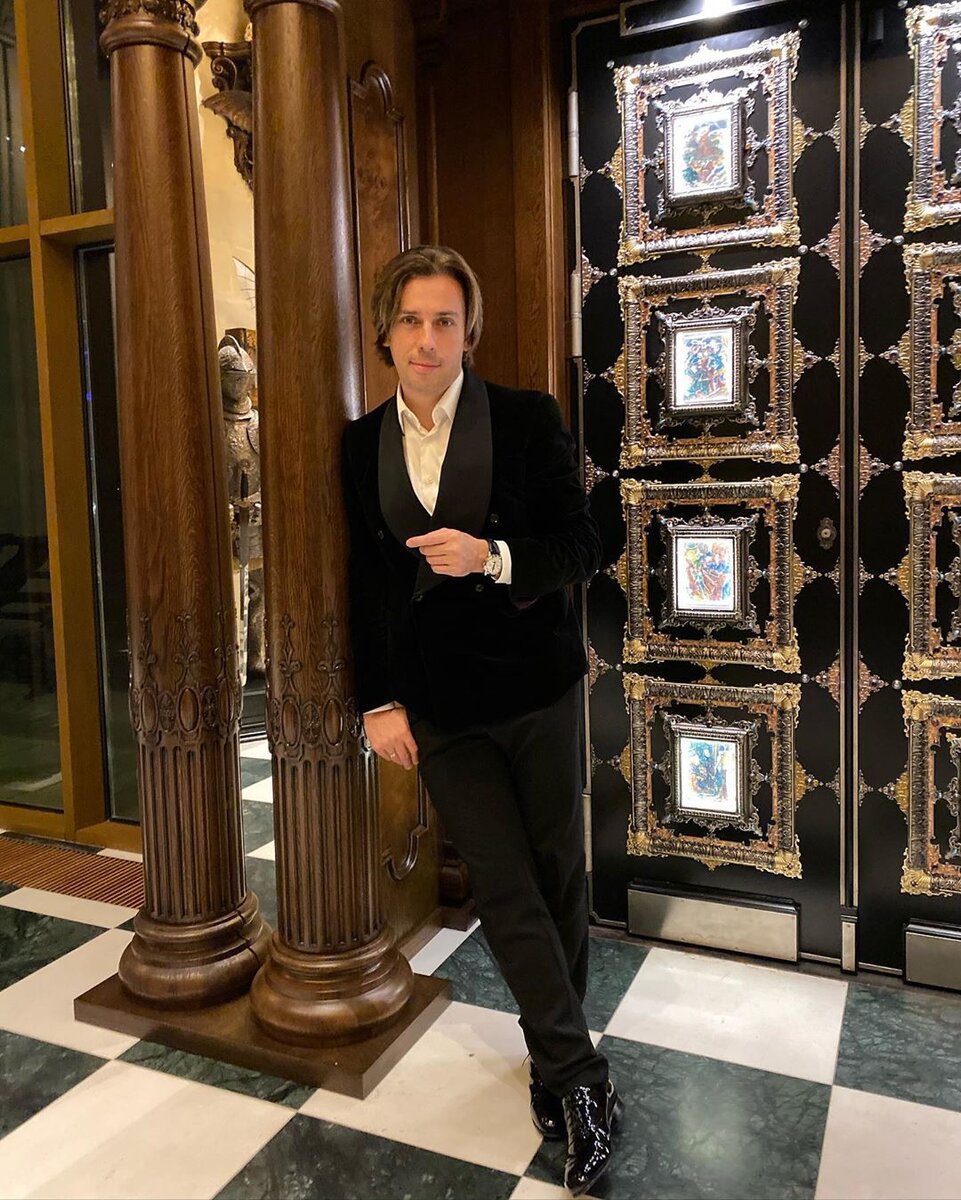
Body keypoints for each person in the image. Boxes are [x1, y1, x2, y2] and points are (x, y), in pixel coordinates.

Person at [341, 245, 622, 1195]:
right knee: (503, 888)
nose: (427, 339)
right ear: (385, 333)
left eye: (445, 321)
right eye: (410, 321)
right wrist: (376, 700)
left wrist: (494, 557)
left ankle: (553, 1056)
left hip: (536, 691)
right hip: (442, 709)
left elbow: (583, 543)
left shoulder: (525, 417)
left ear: (469, 334)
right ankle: (582, 1081)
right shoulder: (360, 444)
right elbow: (368, 585)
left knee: (555, 876)